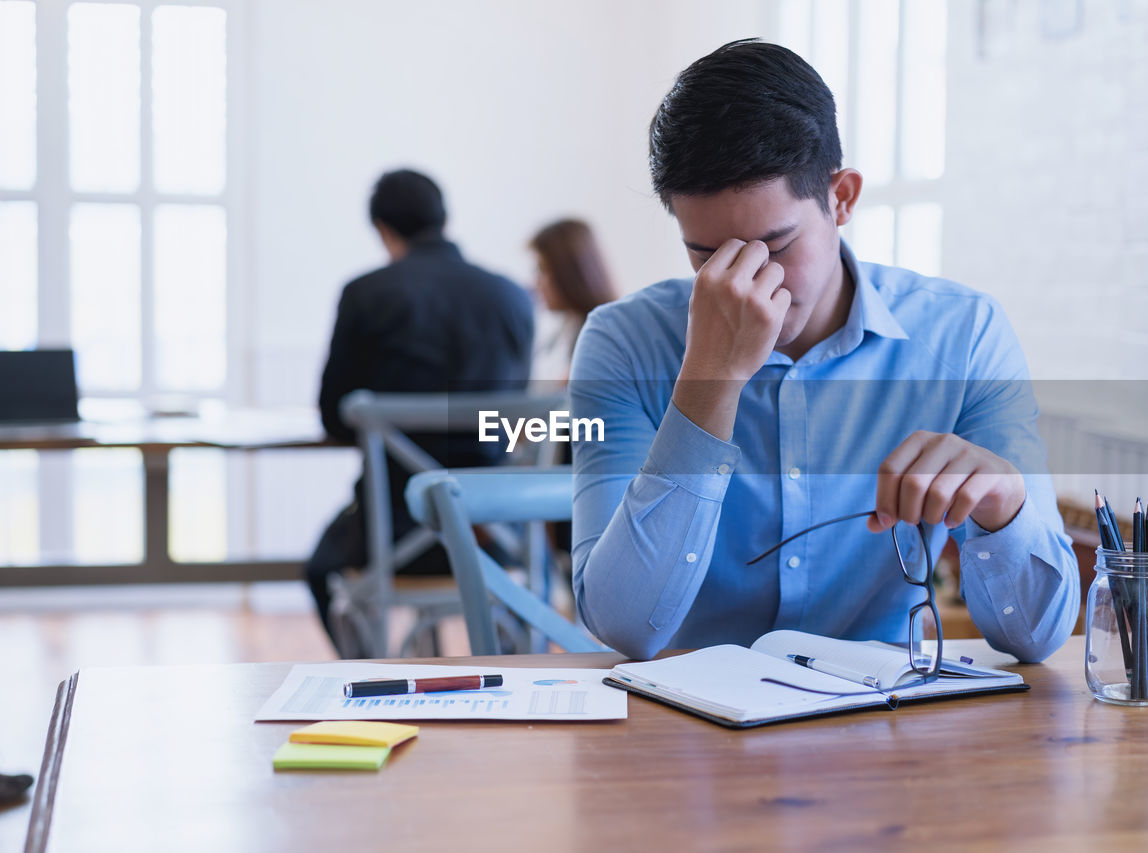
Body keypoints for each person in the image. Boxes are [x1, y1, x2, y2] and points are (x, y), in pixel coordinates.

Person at [569, 40, 1078, 662]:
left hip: (886, 723)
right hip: (688, 731)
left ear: (842, 198)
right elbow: (624, 625)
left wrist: (1004, 506)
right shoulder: (623, 343)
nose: (748, 283)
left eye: (776, 244)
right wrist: (711, 378)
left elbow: (1037, 637)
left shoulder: (964, 334)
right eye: (707, 255)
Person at [307, 168, 534, 650]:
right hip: (491, 535)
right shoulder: (512, 298)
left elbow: (331, 415)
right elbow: (516, 423)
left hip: (391, 538)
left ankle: (371, 680)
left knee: (318, 567)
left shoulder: (366, 294)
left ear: (384, 230)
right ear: (443, 218)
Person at [528, 218, 618, 383]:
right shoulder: (565, 329)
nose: (536, 283)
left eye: (542, 270)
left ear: (568, 272)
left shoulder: (603, 339)